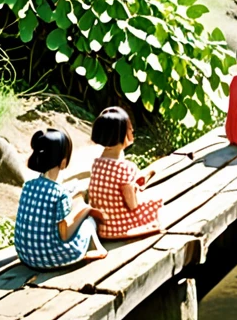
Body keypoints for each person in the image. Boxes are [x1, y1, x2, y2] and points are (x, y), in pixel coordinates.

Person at [14, 128, 107, 269]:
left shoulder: (28, 186)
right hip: (50, 258)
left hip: (26, 255)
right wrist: (84, 211)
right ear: (63, 162)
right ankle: (99, 250)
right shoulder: (59, 194)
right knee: (88, 221)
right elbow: (64, 234)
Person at [88, 106, 164, 240]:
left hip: (103, 226)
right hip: (119, 228)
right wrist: (135, 189)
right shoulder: (125, 167)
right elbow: (132, 204)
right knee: (157, 200)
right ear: (121, 134)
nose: (132, 130)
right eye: (129, 128)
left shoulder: (96, 164)